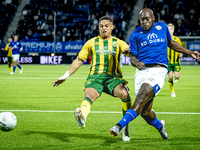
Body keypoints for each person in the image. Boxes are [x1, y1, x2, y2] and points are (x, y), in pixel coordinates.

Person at [110, 8, 200, 140]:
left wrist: (189, 52)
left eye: (147, 19)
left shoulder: (162, 27)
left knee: (140, 97)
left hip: (158, 71)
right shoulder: (135, 34)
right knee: (145, 112)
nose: (145, 22)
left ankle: (119, 126)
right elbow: (133, 57)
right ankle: (160, 126)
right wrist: (137, 63)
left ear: (153, 18)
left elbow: (171, 43)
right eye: (142, 20)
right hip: (141, 72)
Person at [53, 16, 132, 141]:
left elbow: (126, 49)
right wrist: (65, 76)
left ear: (112, 27)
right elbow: (79, 60)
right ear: (98, 28)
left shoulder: (118, 42)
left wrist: (128, 51)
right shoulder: (91, 42)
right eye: (101, 26)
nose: (104, 28)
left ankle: (125, 128)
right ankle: (82, 116)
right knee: (89, 95)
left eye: (106, 26)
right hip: (95, 77)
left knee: (125, 94)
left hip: (113, 78)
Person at [167, 23, 183, 97]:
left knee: (177, 77)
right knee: (170, 78)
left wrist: (181, 53)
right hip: (168, 62)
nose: (169, 30)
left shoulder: (177, 39)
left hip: (176, 61)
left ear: (173, 30)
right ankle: (172, 91)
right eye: (168, 29)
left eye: (171, 29)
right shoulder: (164, 39)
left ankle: (175, 77)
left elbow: (180, 48)